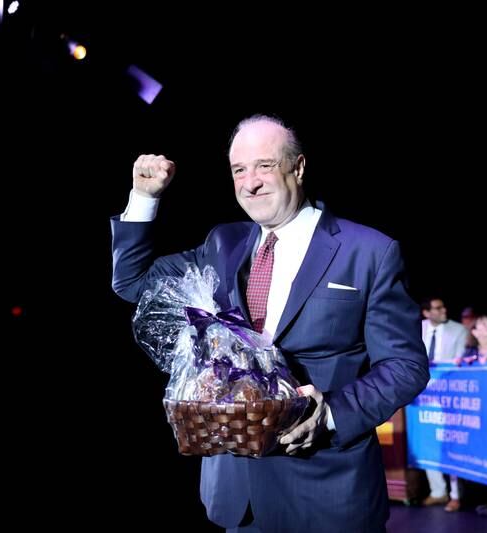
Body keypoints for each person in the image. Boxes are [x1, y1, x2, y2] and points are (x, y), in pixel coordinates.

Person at [110, 115, 430, 532]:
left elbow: (406, 367)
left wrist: (332, 412)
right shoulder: (223, 244)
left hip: (328, 496)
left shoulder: (369, 252)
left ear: (297, 167)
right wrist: (143, 197)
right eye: (238, 170)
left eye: (264, 166)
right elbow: (133, 283)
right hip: (239, 501)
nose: (250, 182)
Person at [421, 297, 468, 512]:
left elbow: (459, 363)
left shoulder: (458, 330)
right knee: (427, 441)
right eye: (438, 308)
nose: (444, 310)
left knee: (450, 442)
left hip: (449, 396)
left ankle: (455, 494)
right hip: (422, 397)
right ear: (426, 312)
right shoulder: (415, 329)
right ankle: (437, 491)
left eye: (443, 306)